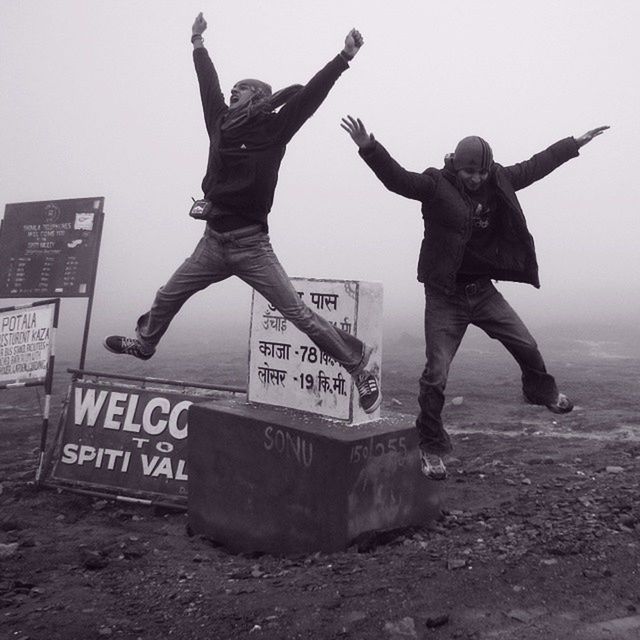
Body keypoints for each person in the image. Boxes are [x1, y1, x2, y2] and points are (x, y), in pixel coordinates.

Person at [104, 13, 381, 413]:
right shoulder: (219, 123)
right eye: (231, 90)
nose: (231, 93)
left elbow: (310, 96)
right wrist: (198, 43)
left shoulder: (276, 128)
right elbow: (207, 85)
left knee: (299, 315)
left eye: (240, 90)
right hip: (213, 242)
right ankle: (145, 344)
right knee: (168, 294)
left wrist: (344, 56)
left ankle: (359, 367)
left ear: (259, 97)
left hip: (252, 246)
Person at [341, 115, 608, 475]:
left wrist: (572, 144)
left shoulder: (498, 179)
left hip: (482, 292)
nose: (476, 179)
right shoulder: (436, 184)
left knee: (526, 346)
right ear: (457, 164)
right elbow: (399, 180)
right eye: (470, 173)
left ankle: (541, 393)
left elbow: (535, 166)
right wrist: (369, 148)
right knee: (436, 374)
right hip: (444, 296)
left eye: (481, 173)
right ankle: (431, 447)